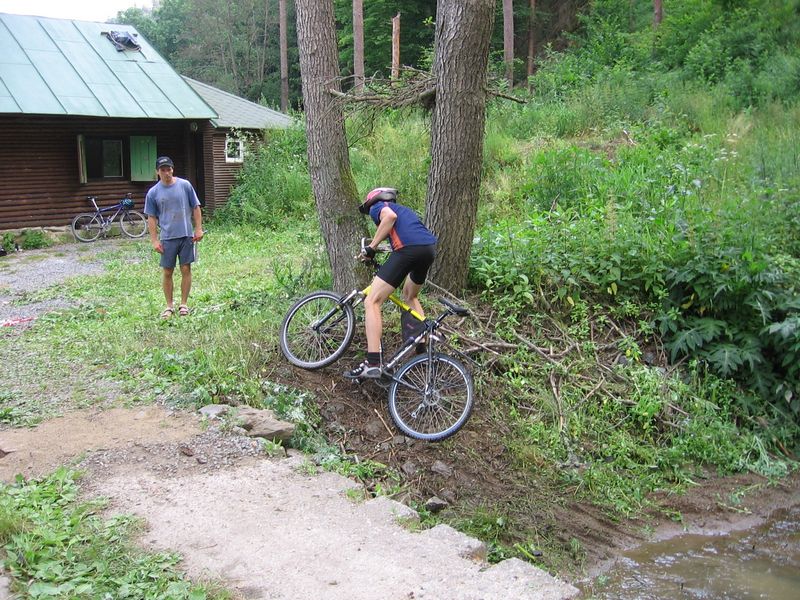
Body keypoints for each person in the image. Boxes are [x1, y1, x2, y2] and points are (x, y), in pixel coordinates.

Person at [344, 187, 437, 379]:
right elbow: (403, 235)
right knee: (410, 295)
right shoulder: (406, 212)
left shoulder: (378, 207)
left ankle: (372, 361)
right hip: (427, 250)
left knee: (372, 301)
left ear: (371, 200)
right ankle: (422, 349)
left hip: (408, 250)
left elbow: (389, 218)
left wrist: (371, 247)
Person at [144, 156, 204, 319]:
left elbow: (196, 207)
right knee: (168, 271)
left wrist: (198, 229)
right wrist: (155, 240)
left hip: (185, 235)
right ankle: (169, 306)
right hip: (167, 238)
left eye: (168, 169)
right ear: (157, 172)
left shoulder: (185, 185)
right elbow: (151, 218)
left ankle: (183, 304)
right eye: (162, 170)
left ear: (173, 169)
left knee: (186, 268)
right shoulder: (153, 192)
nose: (166, 173)